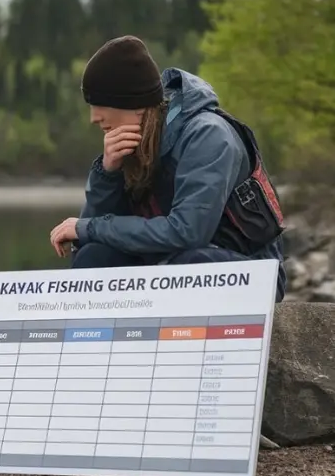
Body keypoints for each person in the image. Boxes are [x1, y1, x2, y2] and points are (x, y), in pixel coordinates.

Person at [48, 35, 288, 302]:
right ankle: (96, 342)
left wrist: (89, 227)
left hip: (247, 271)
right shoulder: (136, 143)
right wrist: (108, 173)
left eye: (102, 104)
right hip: (168, 266)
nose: (94, 118)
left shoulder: (208, 135)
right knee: (94, 256)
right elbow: (88, 241)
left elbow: (188, 234)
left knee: (186, 265)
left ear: (134, 105)